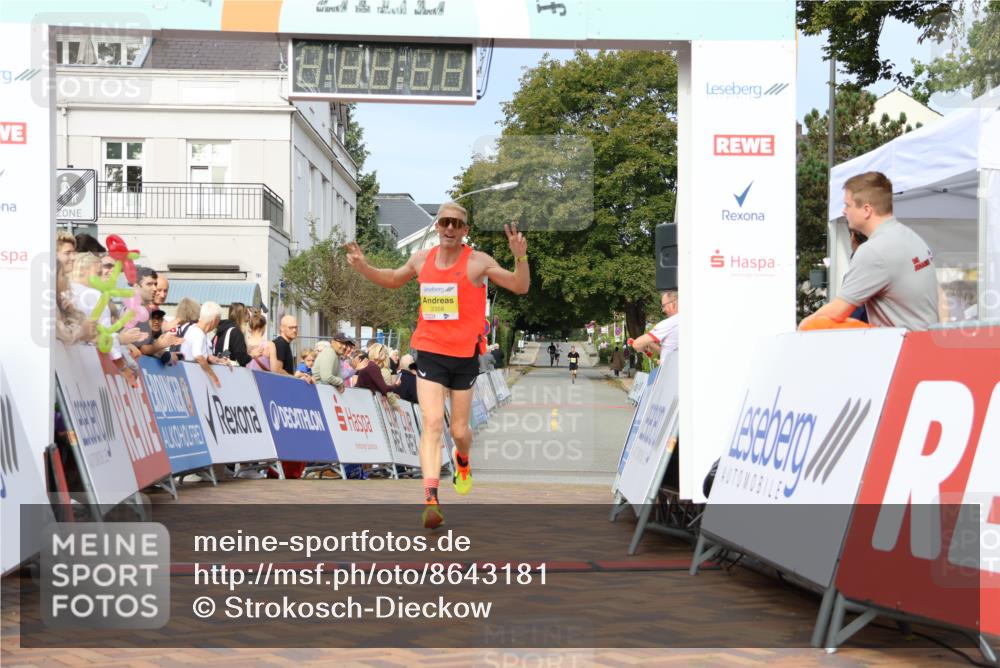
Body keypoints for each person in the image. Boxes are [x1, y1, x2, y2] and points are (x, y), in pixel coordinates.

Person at [347, 203, 528, 528]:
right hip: (430, 351)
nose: (449, 228)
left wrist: (520, 258)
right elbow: (392, 278)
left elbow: (520, 286)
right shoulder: (422, 259)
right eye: (445, 222)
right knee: (431, 421)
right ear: (437, 227)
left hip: (464, 356)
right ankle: (431, 499)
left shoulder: (477, 261)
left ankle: (463, 460)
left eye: (456, 224)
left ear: (464, 230)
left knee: (459, 431)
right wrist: (364, 267)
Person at [799, 171, 939, 331]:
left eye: (848, 205)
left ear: (866, 210)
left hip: (902, 343)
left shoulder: (874, 251)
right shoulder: (911, 237)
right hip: (924, 339)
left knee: (813, 325)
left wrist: (802, 326)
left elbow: (836, 312)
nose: (844, 211)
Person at [180, 301, 224, 388]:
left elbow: (202, 355)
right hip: (192, 380)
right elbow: (197, 355)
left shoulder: (196, 330)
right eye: (218, 321)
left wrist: (218, 360)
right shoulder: (198, 333)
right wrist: (213, 375)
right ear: (215, 320)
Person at [632, 290, 680, 366]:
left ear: (673, 304)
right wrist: (650, 343)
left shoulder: (669, 323)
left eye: (664, 306)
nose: (663, 310)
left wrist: (642, 346)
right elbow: (671, 349)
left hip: (669, 372)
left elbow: (636, 344)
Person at [271, 315, 314, 383]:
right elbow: (277, 370)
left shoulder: (285, 344)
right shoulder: (280, 344)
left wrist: (300, 377)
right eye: (291, 327)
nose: (294, 330)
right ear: (282, 328)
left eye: (296, 327)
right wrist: (295, 378)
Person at [214, 302, 252, 367]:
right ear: (243, 316)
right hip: (232, 370)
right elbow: (242, 359)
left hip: (219, 368)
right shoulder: (236, 332)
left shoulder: (223, 330)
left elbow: (225, 352)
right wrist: (252, 355)